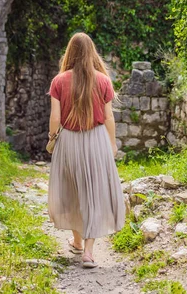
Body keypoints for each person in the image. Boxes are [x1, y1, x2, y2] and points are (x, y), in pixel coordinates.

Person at [47, 32, 126, 269]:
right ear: (92, 52)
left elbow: (55, 117)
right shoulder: (103, 80)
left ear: (70, 52)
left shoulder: (59, 81)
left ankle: (78, 241)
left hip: (69, 141)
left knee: (71, 190)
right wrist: (112, 144)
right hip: (96, 140)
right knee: (95, 193)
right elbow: (110, 117)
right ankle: (88, 252)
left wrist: (52, 139)